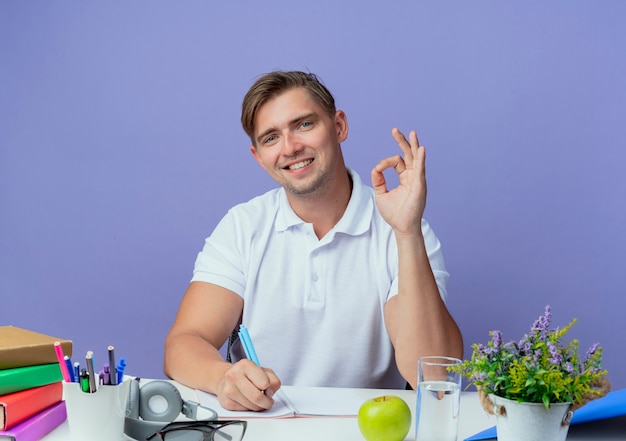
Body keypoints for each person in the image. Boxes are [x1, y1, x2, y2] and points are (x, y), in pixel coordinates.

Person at [163, 70, 463, 411]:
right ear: (258, 157)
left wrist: (407, 233)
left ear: (339, 127)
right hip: (266, 426)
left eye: (304, 124)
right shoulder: (242, 227)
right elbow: (183, 343)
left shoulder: (405, 231)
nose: (290, 148)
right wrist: (221, 378)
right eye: (271, 138)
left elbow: (435, 375)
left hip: (366, 431)